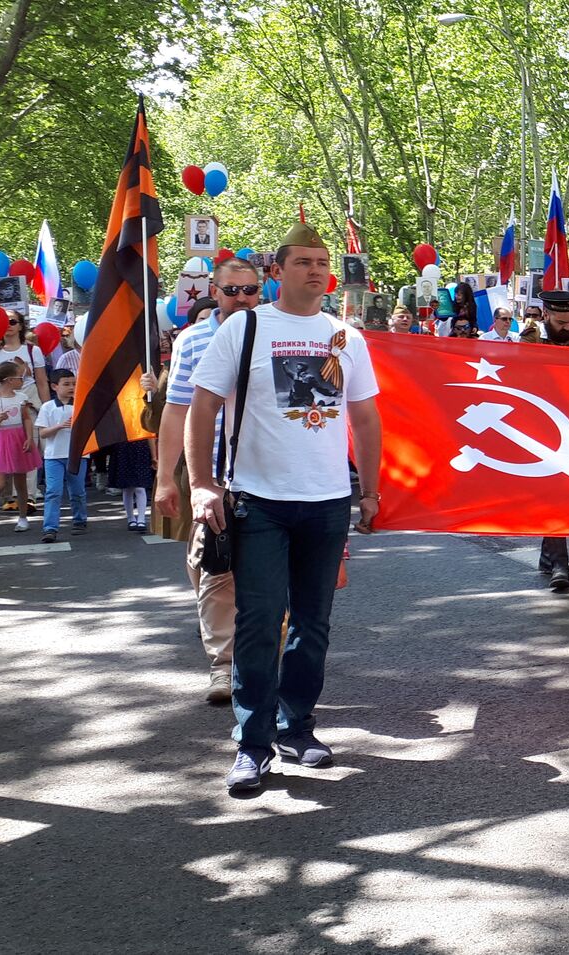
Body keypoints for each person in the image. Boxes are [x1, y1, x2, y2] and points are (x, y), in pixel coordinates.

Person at [187, 221, 382, 792]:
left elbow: (365, 417)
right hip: (258, 503)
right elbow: (201, 409)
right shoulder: (244, 327)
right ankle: (252, 744)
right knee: (258, 622)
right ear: (276, 272)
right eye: (302, 262)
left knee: (313, 625)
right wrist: (202, 484)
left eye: (322, 262)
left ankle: (298, 727)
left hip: (326, 504)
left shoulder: (347, 337)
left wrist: (368, 491)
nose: (317, 270)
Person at [153, 259, 262, 704]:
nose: (242, 298)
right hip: (212, 474)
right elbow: (175, 410)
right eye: (232, 290)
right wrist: (166, 477)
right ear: (214, 292)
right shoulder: (195, 339)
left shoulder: (276, 332)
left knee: (268, 571)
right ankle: (224, 667)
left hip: (266, 474)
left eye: (251, 290)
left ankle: (258, 657)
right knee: (213, 567)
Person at [520, 290, 569, 591]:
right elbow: (520, 372)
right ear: (547, 315)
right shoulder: (530, 337)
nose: (567, 327)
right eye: (561, 322)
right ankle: (560, 563)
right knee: (554, 491)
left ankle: (548, 555)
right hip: (543, 419)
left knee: (565, 492)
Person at [0, 360, 43, 538]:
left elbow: (27, 419)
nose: (23, 380)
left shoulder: (21, 397)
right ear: (9, 380)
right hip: (1, 441)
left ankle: (23, 518)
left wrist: (29, 437)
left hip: (19, 439)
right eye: (19, 377)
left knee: (21, 482)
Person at [36, 370, 88, 543]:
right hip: (53, 456)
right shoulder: (48, 407)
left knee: (78, 491)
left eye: (74, 383)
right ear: (54, 386)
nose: (71, 387)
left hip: (78, 455)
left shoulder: (81, 404)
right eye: (66, 384)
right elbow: (42, 433)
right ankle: (50, 528)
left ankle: (80, 520)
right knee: (53, 492)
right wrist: (59, 426)